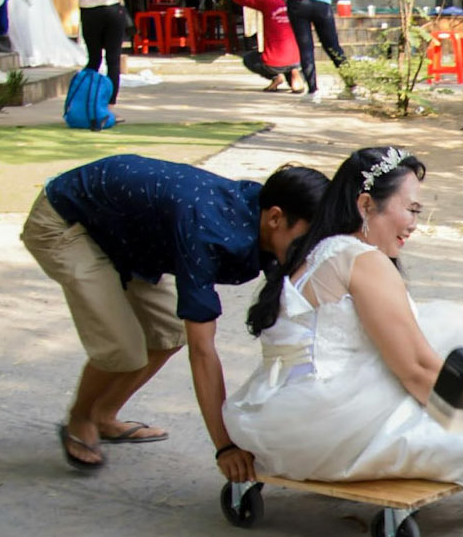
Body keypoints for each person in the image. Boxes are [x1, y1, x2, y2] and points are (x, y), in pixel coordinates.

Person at [20, 156, 327, 474]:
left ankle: (103, 416)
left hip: (127, 236)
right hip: (67, 222)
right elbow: (203, 350)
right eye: (306, 240)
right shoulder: (208, 230)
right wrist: (225, 446)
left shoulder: (259, 215)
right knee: (121, 349)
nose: (310, 250)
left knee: (168, 333)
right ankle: (80, 418)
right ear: (275, 217)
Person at [224, 147, 463, 486]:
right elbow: (417, 371)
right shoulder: (360, 259)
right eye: (411, 209)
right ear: (366, 205)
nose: (414, 225)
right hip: (328, 425)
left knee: (431, 330)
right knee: (451, 329)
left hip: (276, 423)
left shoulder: (317, 252)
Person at [231, 0, 302, 92]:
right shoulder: (298, 1)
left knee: (249, 59)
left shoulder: (267, 0)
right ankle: (295, 73)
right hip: (297, 59)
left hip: (273, 62)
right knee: (292, 60)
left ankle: (275, 76)